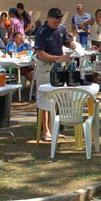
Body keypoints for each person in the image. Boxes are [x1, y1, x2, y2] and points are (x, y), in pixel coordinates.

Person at [34, 8, 74, 142]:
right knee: (44, 100)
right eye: (54, 22)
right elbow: (40, 54)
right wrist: (58, 58)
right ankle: (45, 131)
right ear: (48, 18)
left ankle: (53, 129)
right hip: (45, 67)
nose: (56, 24)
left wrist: (73, 45)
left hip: (58, 67)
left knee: (56, 99)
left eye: (58, 22)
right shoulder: (41, 31)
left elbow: (67, 41)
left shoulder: (61, 29)